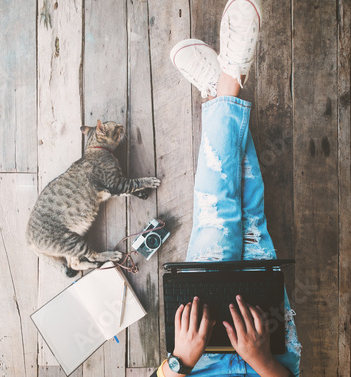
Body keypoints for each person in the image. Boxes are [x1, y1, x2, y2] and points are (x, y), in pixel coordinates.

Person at [152, 0, 302, 376]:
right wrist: (260, 358)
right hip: (267, 357)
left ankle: (226, 82)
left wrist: (180, 359)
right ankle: (221, 88)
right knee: (251, 215)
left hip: (200, 355)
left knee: (217, 212)